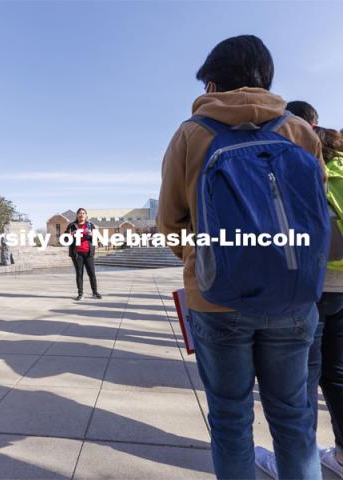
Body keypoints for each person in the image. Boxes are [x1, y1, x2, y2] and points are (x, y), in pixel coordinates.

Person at [158, 35, 326, 479]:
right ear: (265, 79)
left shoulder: (192, 133)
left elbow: (169, 220)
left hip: (217, 300)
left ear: (212, 84)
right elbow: (317, 212)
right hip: (293, 296)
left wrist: (202, 260)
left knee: (231, 421)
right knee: (295, 419)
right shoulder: (299, 131)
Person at [255, 108, 343, 478]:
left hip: (310, 285)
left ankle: (297, 461)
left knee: (300, 378)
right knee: (338, 374)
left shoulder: (299, 167)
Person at [65, 208, 102, 300]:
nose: (81, 215)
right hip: (77, 254)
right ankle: (80, 294)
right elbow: (65, 239)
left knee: (92, 273)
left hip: (88, 253)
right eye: (80, 213)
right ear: (77, 215)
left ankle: (94, 292)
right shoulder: (72, 225)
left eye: (83, 213)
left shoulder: (90, 225)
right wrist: (71, 234)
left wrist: (93, 235)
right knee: (79, 273)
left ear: (86, 215)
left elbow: (97, 238)